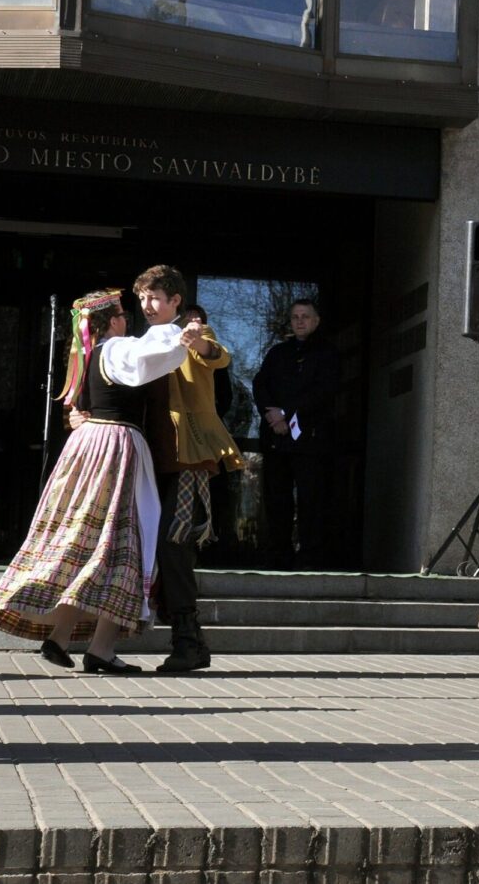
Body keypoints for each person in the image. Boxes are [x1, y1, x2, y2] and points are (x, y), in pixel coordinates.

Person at [0, 290, 195, 673]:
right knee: (122, 544)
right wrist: (181, 331)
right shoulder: (117, 349)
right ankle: (100, 649)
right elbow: (150, 354)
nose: (127, 318)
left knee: (87, 542)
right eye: (121, 313)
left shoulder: (87, 357)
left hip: (87, 446)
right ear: (110, 321)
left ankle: (61, 637)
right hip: (116, 446)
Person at [134, 265, 244, 674]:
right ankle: (189, 641)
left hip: (188, 457)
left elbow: (220, 356)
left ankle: (187, 640)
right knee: (152, 546)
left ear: (176, 301)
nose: (147, 306)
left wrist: (200, 344)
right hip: (148, 457)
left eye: (156, 298)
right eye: (143, 298)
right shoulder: (140, 341)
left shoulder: (194, 331)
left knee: (173, 546)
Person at [252, 298, 340, 569]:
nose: (299, 321)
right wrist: (272, 415)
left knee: (310, 500)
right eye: (295, 317)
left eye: (305, 316)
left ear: (316, 321)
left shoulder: (327, 353)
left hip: (310, 441)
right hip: (276, 440)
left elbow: (323, 391)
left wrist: (288, 413)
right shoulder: (278, 353)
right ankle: (279, 554)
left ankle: (310, 556)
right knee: (276, 499)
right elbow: (260, 383)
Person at [183, 304, 240, 550]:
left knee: (214, 489)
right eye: (190, 318)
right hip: (181, 431)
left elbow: (225, 392)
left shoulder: (210, 349)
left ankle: (217, 545)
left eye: (200, 319)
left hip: (208, 433)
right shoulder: (172, 348)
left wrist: (208, 415)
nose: (195, 323)